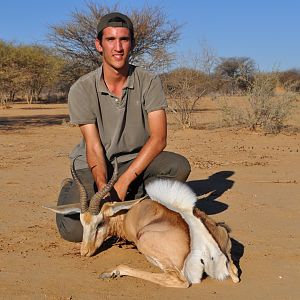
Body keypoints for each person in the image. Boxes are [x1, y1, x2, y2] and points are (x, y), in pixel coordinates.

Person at [56, 12, 191, 242]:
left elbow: (159, 139)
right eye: (110, 40)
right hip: (95, 165)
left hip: (133, 161)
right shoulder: (81, 88)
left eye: (124, 40)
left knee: (178, 166)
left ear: (132, 44)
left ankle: (132, 200)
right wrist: (104, 187)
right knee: (74, 231)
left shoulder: (149, 81)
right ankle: (76, 188)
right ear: (99, 45)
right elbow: (94, 146)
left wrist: (123, 181)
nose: (118, 47)